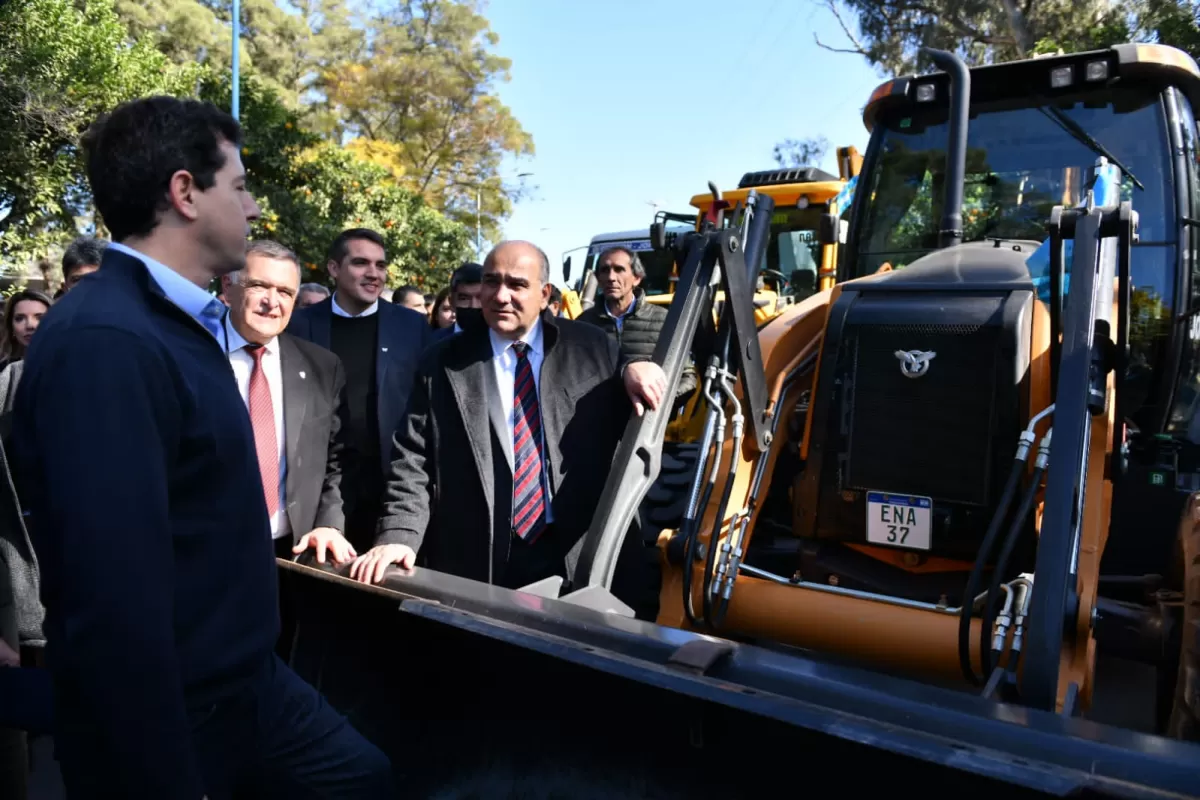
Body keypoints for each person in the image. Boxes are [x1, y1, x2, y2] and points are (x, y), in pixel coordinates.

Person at [11, 95, 392, 799]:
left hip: (243, 684)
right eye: (240, 186)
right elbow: (113, 598)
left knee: (365, 776)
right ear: (185, 192)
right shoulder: (108, 342)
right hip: (178, 712)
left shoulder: (172, 324)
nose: (252, 208)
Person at [307, 241, 667, 603]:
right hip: (481, 559)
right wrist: (398, 536)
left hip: (578, 551)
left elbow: (628, 404)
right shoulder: (442, 362)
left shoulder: (591, 347)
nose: (500, 295)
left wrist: (632, 368)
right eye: (491, 281)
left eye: (516, 284)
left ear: (544, 294)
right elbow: (413, 460)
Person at [220, 240, 353, 657]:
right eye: (260, 286)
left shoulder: (320, 366)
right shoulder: (189, 355)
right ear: (228, 286)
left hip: (289, 556)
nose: (272, 302)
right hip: (208, 555)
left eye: (285, 293)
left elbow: (335, 458)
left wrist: (330, 522)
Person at [287, 228, 431, 552]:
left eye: (380, 265)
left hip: (392, 486)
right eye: (361, 263)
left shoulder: (412, 327)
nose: (373, 273)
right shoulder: (299, 325)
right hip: (318, 488)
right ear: (334, 268)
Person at [578, 246, 696, 400]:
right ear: (598, 278)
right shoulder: (583, 325)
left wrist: (656, 406)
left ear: (637, 278)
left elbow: (687, 377)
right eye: (605, 270)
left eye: (619, 269)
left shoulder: (663, 321)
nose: (611, 277)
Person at [0, 290, 51, 372]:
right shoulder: (5, 371)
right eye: (19, 319)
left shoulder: (72, 365)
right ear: (11, 327)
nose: (30, 325)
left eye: (41, 318)